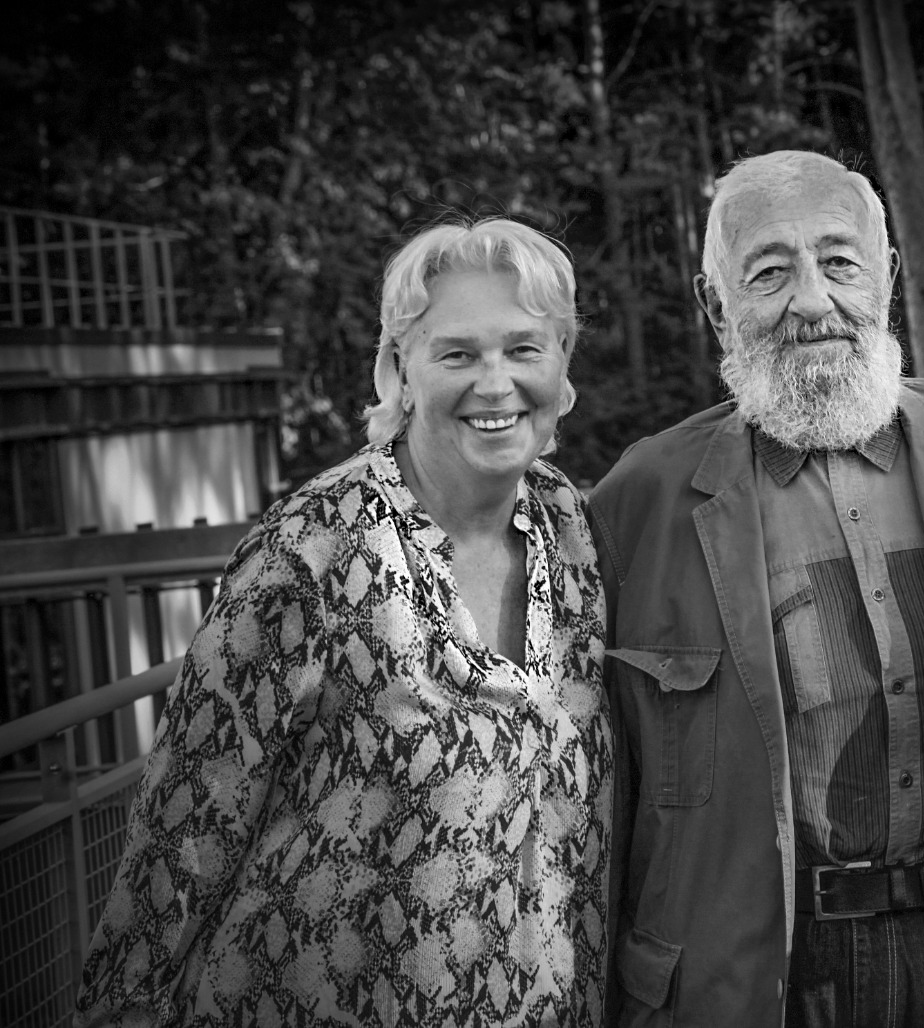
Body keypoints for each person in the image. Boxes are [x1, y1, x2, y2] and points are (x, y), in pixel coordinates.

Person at [588, 150, 924, 1028]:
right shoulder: (636, 502)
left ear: (889, 276)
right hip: (772, 975)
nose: (812, 301)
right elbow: (611, 799)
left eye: (839, 262)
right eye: (769, 273)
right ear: (715, 305)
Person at [75, 219, 612, 1027]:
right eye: (457, 354)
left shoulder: (570, 527)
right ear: (399, 368)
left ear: (562, 362)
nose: (495, 383)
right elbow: (186, 820)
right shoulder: (314, 547)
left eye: (524, 349)